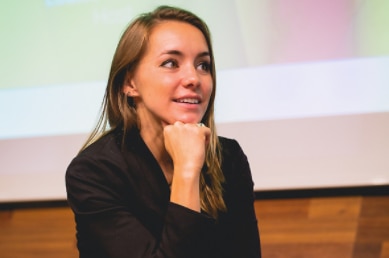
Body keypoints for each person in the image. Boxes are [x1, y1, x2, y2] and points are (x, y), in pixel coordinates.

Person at [66, 5, 261, 258]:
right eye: (171, 63)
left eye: (203, 65)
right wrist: (187, 170)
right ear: (129, 82)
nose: (194, 78)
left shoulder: (229, 157)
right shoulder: (94, 172)